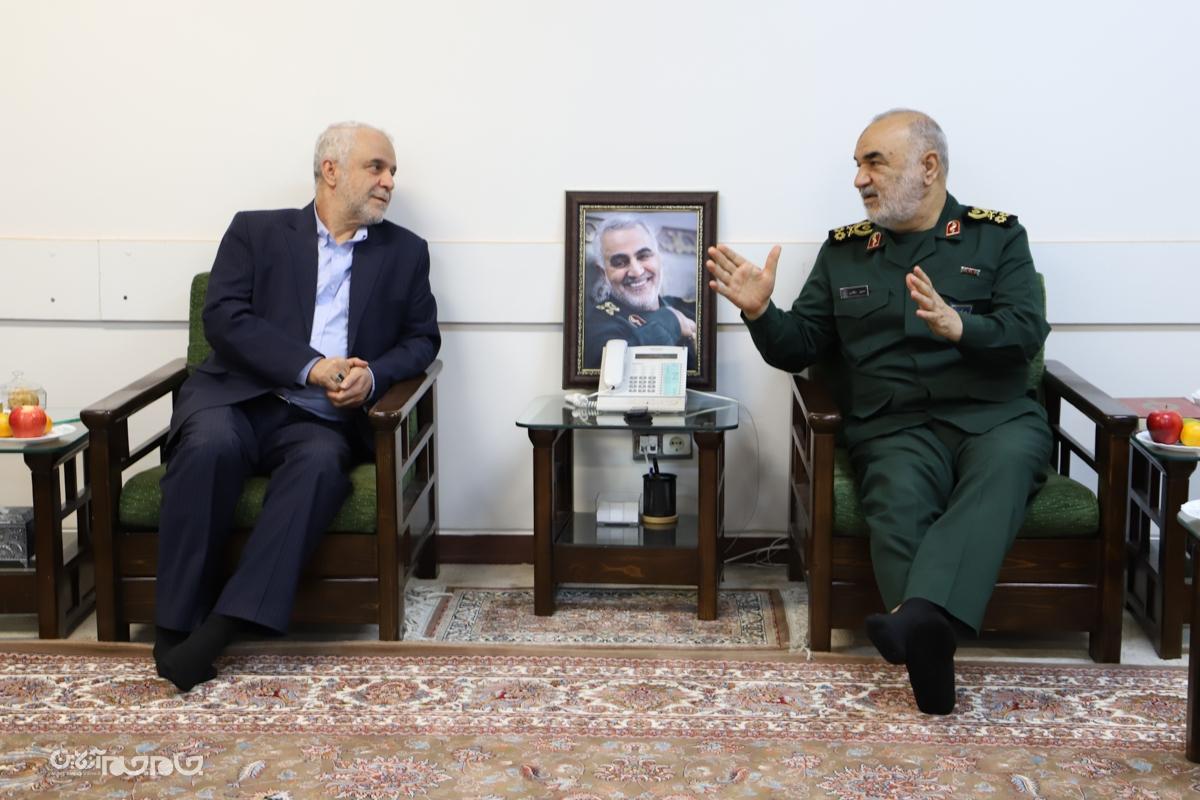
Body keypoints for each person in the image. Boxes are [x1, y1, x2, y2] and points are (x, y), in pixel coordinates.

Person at [705, 109, 1050, 715]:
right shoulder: (845, 252)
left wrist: (961, 326)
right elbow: (800, 347)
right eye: (857, 165)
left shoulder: (997, 237)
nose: (860, 179)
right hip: (894, 425)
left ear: (928, 167)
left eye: (874, 162)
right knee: (898, 502)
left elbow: (1026, 330)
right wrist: (761, 312)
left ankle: (917, 618)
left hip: (994, 415)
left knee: (1003, 471)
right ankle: (930, 654)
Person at [153, 122, 440, 691]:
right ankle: (173, 624)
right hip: (237, 398)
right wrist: (310, 365)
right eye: (376, 167)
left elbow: (422, 339)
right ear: (331, 170)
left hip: (320, 419)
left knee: (318, 468)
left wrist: (372, 376)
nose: (389, 181)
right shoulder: (255, 232)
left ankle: (221, 629)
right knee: (209, 446)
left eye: (392, 171)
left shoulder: (406, 252)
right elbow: (224, 317)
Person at [583, 215, 696, 369]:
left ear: (658, 259)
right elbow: (614, 369)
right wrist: (670, 322)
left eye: (643, 256)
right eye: (620, 262)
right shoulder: (594, 325)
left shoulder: (687, 308)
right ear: (603, 273)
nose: (636, 272)